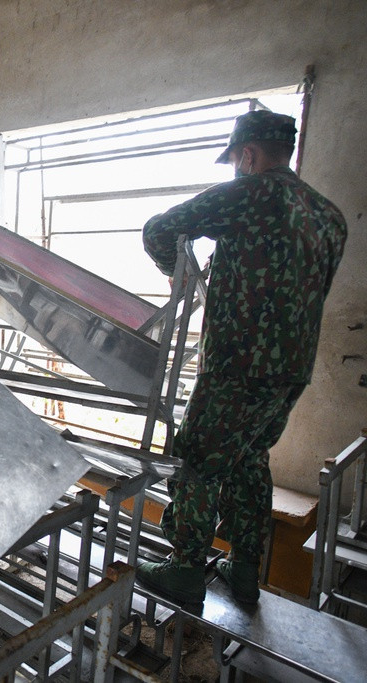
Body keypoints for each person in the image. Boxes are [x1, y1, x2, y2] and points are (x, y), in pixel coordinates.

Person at [136, 111, 346, 607]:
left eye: (235, 160)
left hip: (237, 363)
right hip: (292, 369)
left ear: (247, 155)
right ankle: (245, 569)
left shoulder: (251, 194)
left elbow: (159, 230)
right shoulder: (329, 216)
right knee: (250, 459)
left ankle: (185, 568)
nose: (235, 167)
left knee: (199, 459)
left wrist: (178, 273)